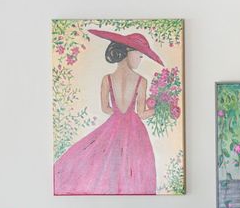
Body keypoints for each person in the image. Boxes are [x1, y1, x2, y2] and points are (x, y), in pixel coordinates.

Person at [53, 29, 162, 196]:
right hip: (135, 130)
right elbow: (141, 113)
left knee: (107, 166)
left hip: (113, 125)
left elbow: (105, 108)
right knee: (132, 169)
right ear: (128, 52)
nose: (140, 60)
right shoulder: (141, 81)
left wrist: (118, 114)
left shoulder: (107, 79)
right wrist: (159, 109)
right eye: (139, 55)